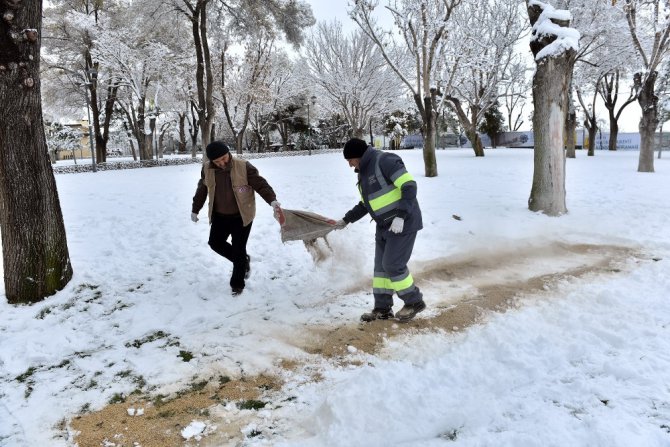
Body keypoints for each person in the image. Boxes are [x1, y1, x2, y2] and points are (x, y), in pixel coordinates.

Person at [334, 138, 425, 322]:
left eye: (350, 160)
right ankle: (382, 308)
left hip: (403, 222)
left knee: (392, 264)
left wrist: (400, 216)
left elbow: (409, 186)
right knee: (381, 269)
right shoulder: (363, 173)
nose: (350, 165)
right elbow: (366, 204)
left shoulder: (385, 160)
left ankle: (414, 301)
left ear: (358, 156)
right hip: (384, 226)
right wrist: (345, 220)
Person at [191, 141, 282, 296]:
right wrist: (195, 209)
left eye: (224, 158)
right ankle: (243, 261)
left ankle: (237, 284)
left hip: (242, 215)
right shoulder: (207, 169)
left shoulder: (243, 166)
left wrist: (272, 200)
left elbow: (261, 185)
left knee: (238, 248)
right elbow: (202, 189)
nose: (222, 163)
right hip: (220, 215)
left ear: (229, 153)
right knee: (215, 243)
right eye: (217, 161)